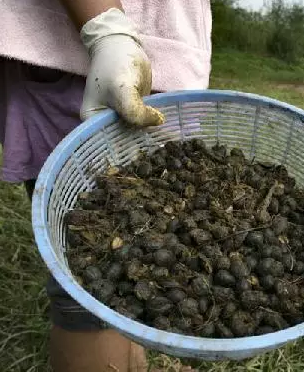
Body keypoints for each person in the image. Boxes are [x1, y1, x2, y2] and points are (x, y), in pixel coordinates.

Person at [0, 0, 212, 370]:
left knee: (149, 271)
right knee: (87, 289)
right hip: (78, 53)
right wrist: (106, 29)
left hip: (166, 68)